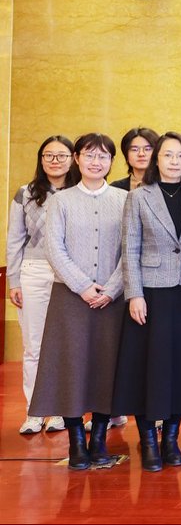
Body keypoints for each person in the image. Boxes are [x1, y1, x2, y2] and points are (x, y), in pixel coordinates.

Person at [111, 132, 181, 471]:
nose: (174, 161)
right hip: (151, 294)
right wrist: (134, 294)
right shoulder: (139, 197)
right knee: (148, 367)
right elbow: (130, 249)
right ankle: (148, 441)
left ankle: (171, 439)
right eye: (168, 155)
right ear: (157, 159)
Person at [28, 133, 127, 470]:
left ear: (111, 161)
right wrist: (83, 286)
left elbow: (130, 249)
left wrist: (112, 289)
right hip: (70, 299)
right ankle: (76, 444)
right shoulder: (61, 201)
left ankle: (98, 440)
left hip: (112, 301)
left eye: (103, 156)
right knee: (70, 368)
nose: (96, 162)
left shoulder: (124, 199)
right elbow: (54, 248)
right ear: (77, 158)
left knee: (106, 368)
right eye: (89, 155)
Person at [7, 135, 80, 435]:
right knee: (34, 346)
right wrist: (14, 280)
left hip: (69, 275)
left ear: (73, 159)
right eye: (48, 155)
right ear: (41, 159)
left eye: (61, 155)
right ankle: (34, 412)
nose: (54, 160)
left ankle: (62, 412)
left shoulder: (78, 192)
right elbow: (15, 240)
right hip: (33, 272)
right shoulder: (25, 193)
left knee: (66, 345)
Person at [111, 127, 159, 192]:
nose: (141, 154)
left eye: (147, 149)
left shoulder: (167, 186)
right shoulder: (116, 189)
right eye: (134, 150)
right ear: (126, 155)